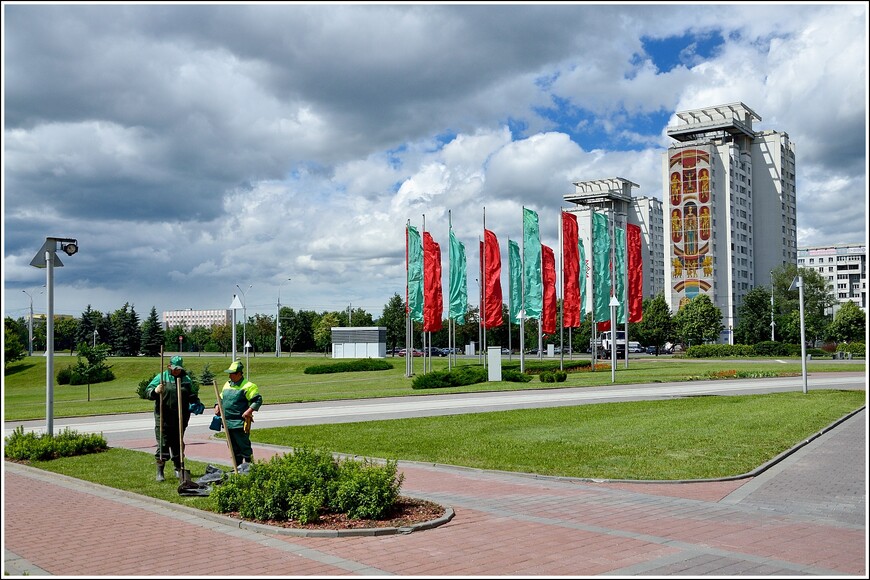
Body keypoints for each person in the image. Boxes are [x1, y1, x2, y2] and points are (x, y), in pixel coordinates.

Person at [144, 355, 201, 481]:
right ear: (169, 366)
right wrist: (155, 391)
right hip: (163, 416)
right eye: (174, 368)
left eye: (179, 368)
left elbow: (191, 394)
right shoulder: (161, 377)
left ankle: (178, 468)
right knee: (163, 443)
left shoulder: (186, 379)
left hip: (181, 417)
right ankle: (160, 471)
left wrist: (196, 402)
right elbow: (147, 392)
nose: (177, 371)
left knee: (177, 443)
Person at [214, 360, 263, 466]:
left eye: (232, 373)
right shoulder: (227, 384)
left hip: (240, 423)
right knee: (232, 447)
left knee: (243, 446)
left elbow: (257, 400)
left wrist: (249, 411)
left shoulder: (249, 386)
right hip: (227, 422)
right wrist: (217, 405)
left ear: (239, 374)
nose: (229, 376)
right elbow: (220, 397)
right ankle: (237, 468)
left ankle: (250, 467)